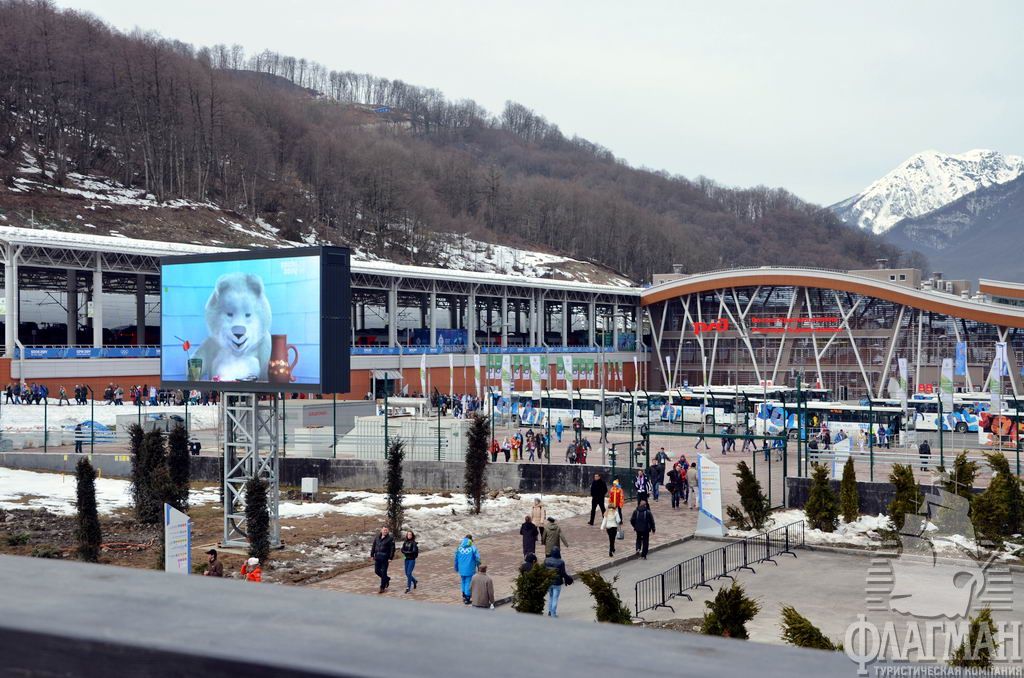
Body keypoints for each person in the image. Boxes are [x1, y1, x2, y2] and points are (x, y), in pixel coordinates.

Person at [543, 546, 572, 617]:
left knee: (551, 596)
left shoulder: (546, 560)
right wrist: (568, 579)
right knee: (555, 598)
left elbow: (543, 570)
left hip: (549, 581)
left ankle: (550, 611)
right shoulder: (561, 562)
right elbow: (563, 573)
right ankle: (553, 614)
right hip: (557, 582)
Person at [454, 534, 481, 605]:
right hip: (470, 569)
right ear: (471, 540)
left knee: (463, 581)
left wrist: (456, 567)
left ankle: (463, 595)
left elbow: (455, 559)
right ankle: (467, 598)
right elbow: (478, 558)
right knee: (468, 582)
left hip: (461, 569)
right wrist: (478, 566)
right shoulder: (473, 548)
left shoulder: (459, 548)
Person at [369, 526, 395, 593]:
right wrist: (372, 555)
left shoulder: (390, 539)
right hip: (377, 557)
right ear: (381, 531)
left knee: (383, 572)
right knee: (377, 571)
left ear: (388, 531)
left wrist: (390, 558)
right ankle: (387, 579)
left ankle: (382, 587)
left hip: (385, 558)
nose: (385, 531)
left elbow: (392, 549)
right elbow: (374, 546)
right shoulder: (377, 537)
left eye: (386, 530)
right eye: (384, 530)